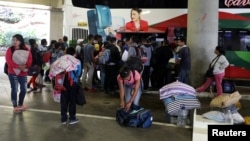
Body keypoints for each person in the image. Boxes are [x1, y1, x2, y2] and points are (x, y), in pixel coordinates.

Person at [5, 34, 32, 113]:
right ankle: (15, 106)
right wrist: (18, 66)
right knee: (15, 89)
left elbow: (30, 59)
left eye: (16, 40)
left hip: (23, 73)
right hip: (13, 73)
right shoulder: (10, 49)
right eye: (13, 40)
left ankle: (20, 104)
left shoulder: (26, 49)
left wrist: (26, 65)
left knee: (24, 89)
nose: (15, 41)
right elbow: (8, 61)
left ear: (21, 41)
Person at [59, 47, 82, 125]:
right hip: (73, 83)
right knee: (72, 101)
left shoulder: (61, 61)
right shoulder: (77, 61)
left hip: (63, 83)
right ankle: (72, 118)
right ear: (74, 54)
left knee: (64, 101)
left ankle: (63, 119)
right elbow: (78, 74)